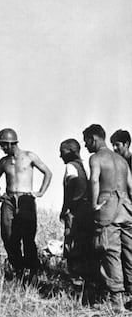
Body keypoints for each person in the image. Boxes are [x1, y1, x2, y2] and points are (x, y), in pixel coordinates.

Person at [83, 124, 132, 312]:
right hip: (126, 209)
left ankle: (116, 300)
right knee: (129, 252)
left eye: (86, 141)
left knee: (110, 252)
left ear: (93, 139)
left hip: (107, 208)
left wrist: (94, 204)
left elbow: (94, 180)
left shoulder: (95, 158)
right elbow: (131, 186)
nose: (86, 146)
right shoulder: (121, 160)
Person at [0, 128, 52, 276]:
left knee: (28, 237)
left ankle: (32, 269)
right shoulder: (3, 162)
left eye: (4, 145)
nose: (2, 148)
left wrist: (41, 192)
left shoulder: (29, 156)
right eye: (1, 145)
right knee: (8, 235)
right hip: (9, 201)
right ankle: (18, 267)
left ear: (11, 143)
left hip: (26, 200)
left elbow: (47, 173)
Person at [59, 138, 95, 285]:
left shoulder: (70, 167)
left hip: (76, 210)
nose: (60, 156)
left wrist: (65, 208)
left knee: (72, 242)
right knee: (85, 243)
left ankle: (76, 279)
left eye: (63, 152)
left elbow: (72, 187)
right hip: (87, 210)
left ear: (71, 152)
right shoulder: (86, 166)